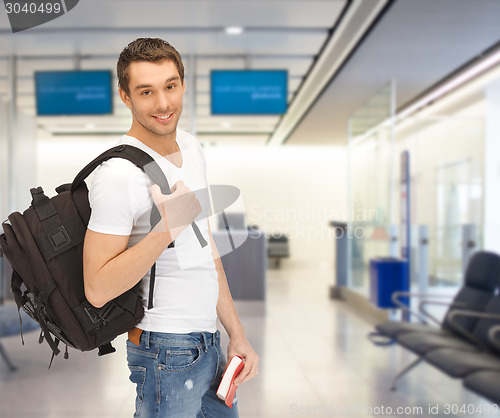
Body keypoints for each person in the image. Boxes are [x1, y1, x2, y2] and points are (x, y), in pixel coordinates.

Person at [82, 37, 258, 418]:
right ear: (125, 96)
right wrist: (166, 229)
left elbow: (205, 250)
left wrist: (236, 332)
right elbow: (97, 288)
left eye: (170, 86)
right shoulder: (118, 176)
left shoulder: (192, 149)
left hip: (209, 342)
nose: (163, 103)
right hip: (164, 348)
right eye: (146, 91)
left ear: (183, 84)